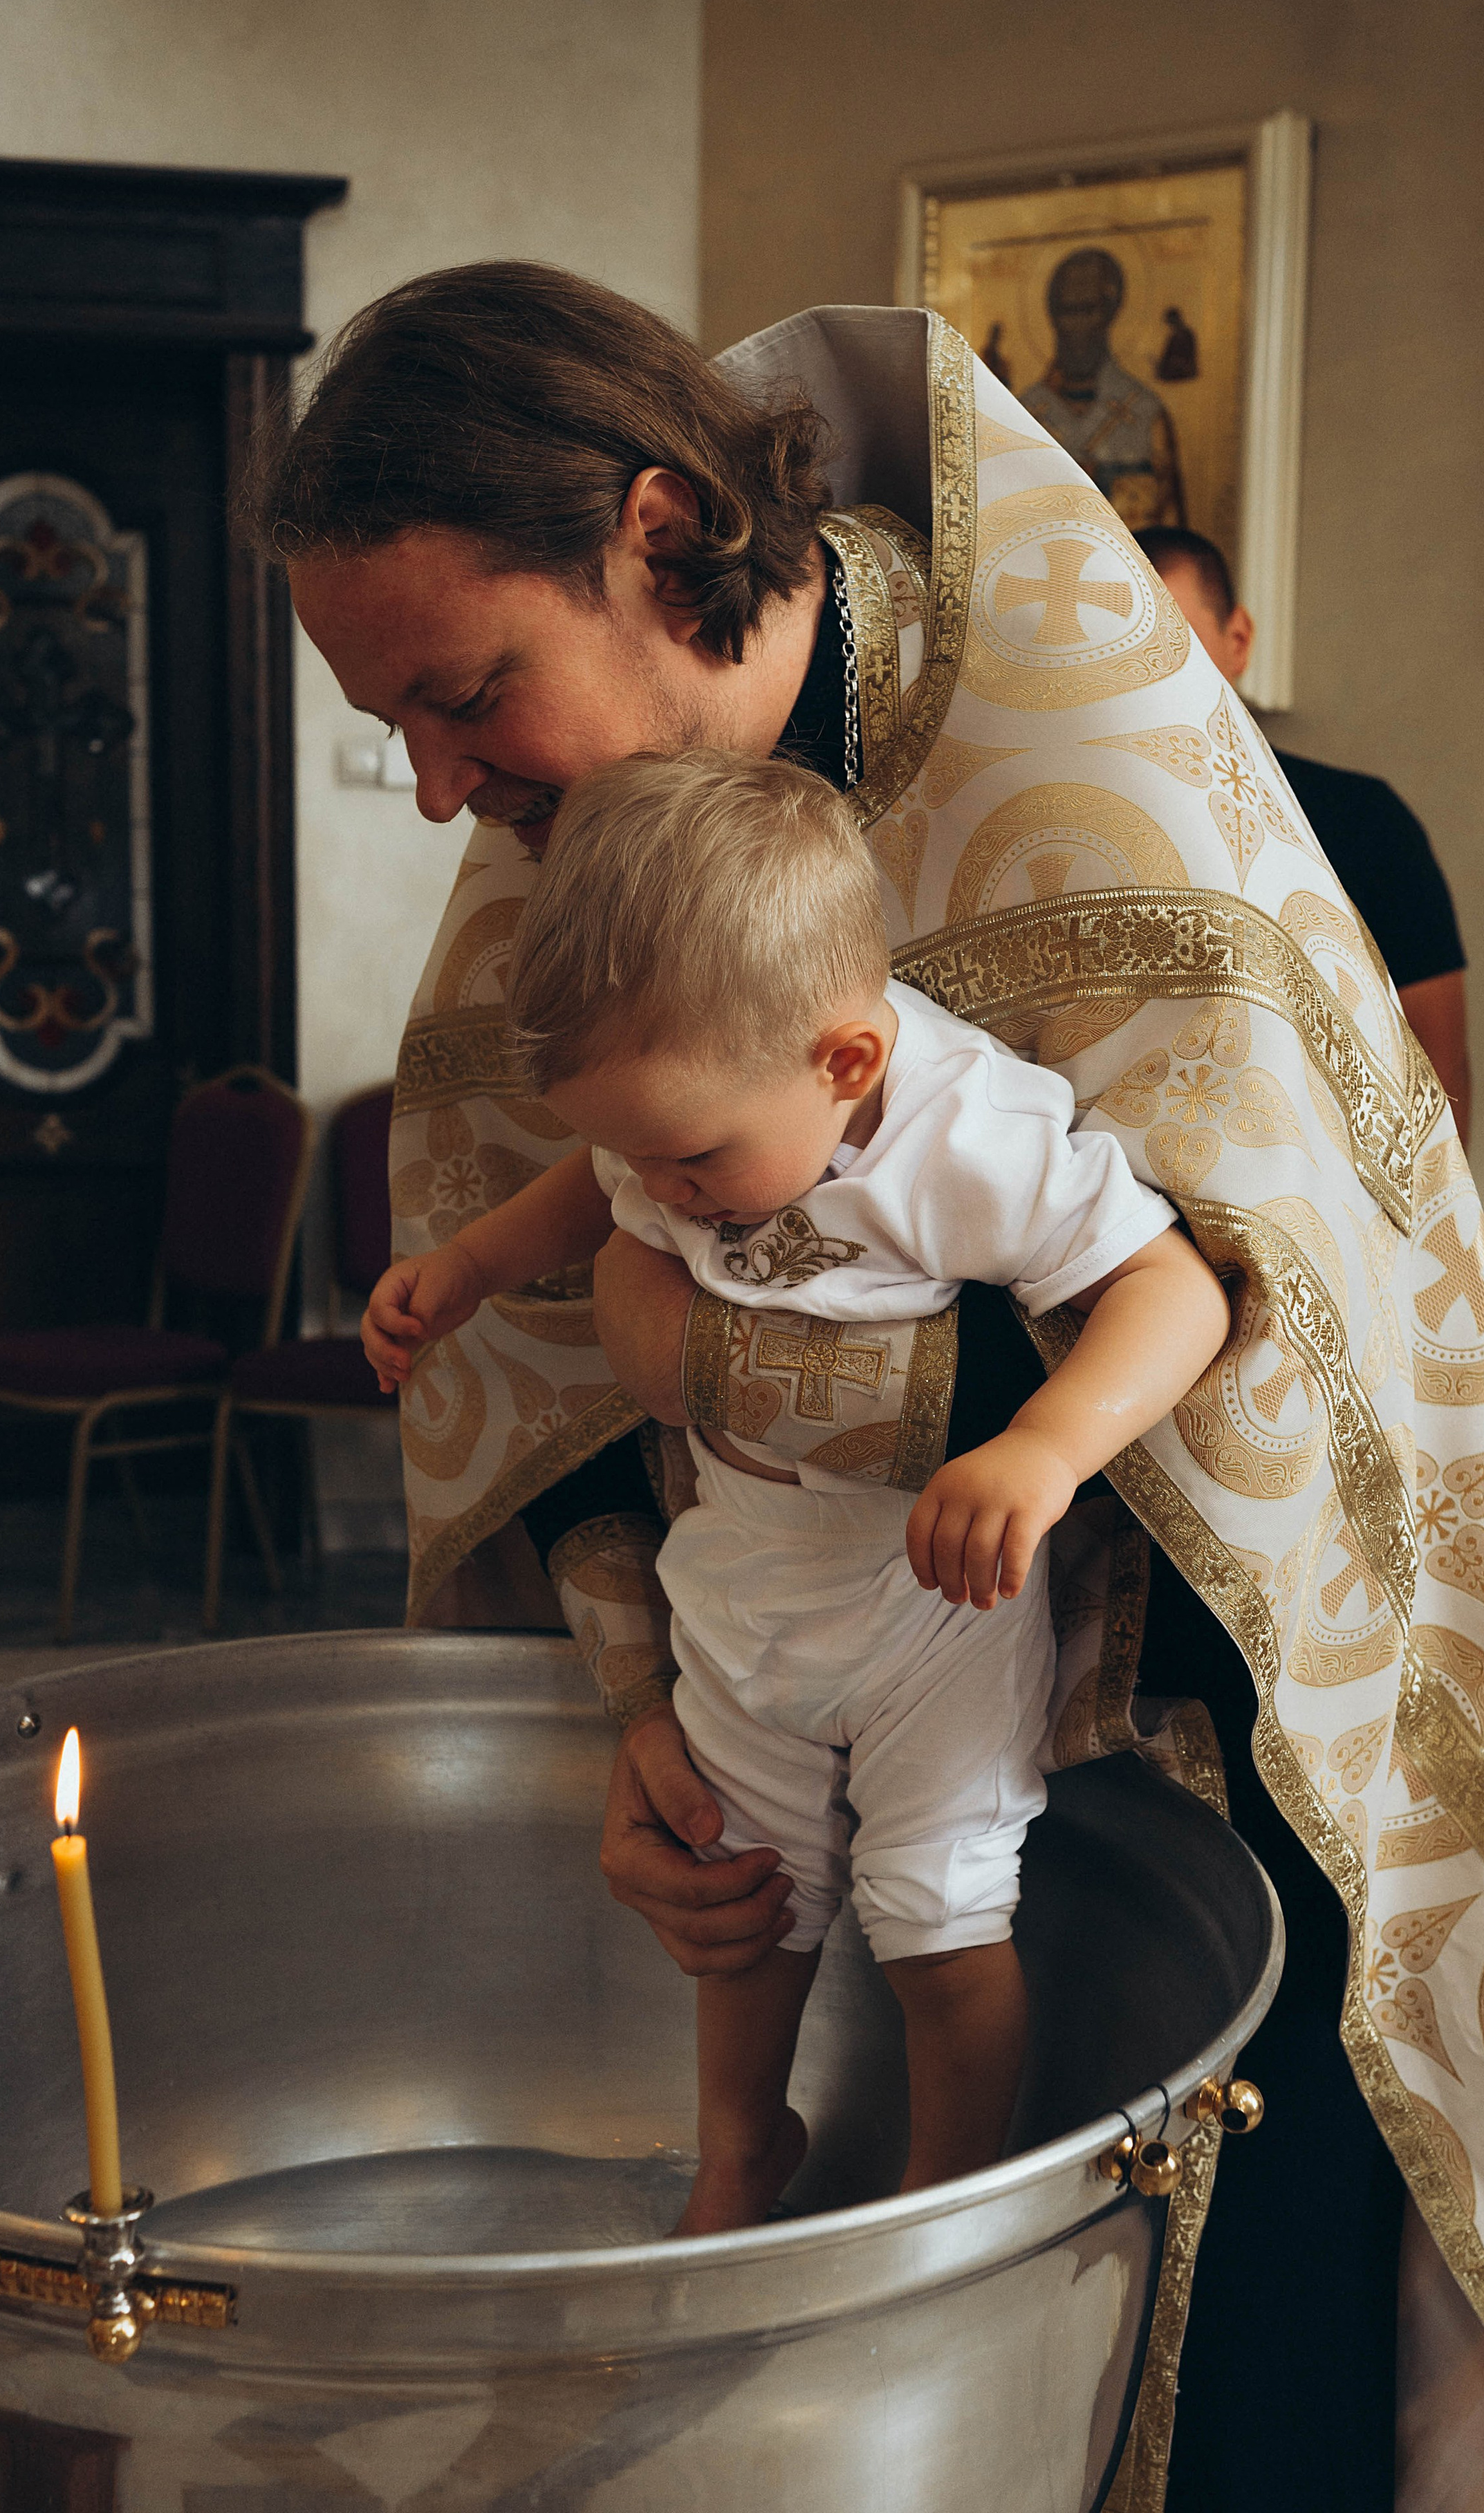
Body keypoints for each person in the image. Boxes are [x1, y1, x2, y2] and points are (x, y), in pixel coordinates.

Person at [261, 265, 1484, 2513]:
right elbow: (545, 1320)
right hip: (796, 1671)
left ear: (656, 529)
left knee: (1209, 2360)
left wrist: (741, 1356)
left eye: (462, 694)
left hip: (1202, 1747)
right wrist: (651, 1718)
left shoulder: (1093, 779)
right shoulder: (568, 846)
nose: (436, 793)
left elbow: (1282, 1332)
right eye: (395, 725)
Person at [360, 750, 1229, 2234]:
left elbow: (1173, 1292)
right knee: (740, 1903)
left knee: (940, 1930)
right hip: (741, 1572)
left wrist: (1042, 1447)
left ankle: (937, 2197)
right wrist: (474, 1265)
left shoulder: (967, 1136)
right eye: (647, 1155)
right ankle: (737, 2151)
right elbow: (598, 1180)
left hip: (929, 1610)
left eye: (695, 1158)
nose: (670, 1193)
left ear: (841, 1061)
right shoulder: (687, 1109)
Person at [1134, 524, 1473, 1146]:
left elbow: (1438, 1076)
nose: (1146, 671)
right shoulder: (1068, 826)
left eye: (1172, 638)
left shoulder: (1367, 823)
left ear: (1237, 639)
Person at [1019, 245, 1185, 528]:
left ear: (1111, 312)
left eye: (1088, 310)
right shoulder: (1020, 414)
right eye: (1066, 311)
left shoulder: (1144, 413)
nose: (1077, 325)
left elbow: (1169, 533)